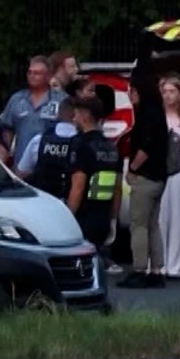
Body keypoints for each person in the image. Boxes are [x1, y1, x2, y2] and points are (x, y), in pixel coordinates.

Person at [119, 68, 175, 289]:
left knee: (139, 224)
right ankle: (156, 270)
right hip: (159, 178)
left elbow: (145, 146)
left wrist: (132, 168)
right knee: (153, 225)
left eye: (132, 90)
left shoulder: (146, 115)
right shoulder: (158, 112)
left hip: (145, 176)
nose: (130, 95)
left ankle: (139, 269)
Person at [63, 90, 124, 262]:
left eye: (75, 114)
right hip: (103, 218)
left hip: (83, 219)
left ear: (84, 116)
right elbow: (117, 189)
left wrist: (67, 218)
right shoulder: (112, 148)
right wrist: (113, 220)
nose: (73, 118)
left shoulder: (81, 145)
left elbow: (78, 186)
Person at [154, 73, 180, 280]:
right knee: (160, 215)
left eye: (172, 91)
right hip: (160, 169)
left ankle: (175, 265)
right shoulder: (156, 116)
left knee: (178, 216)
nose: (168, 96)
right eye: (165, 92)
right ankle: (159, 263)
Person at [0, 56, 65, 185]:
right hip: (21, 171)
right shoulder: (16, 100)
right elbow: (7, 132)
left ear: (48, 76)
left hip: (49, 172)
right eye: (29, 72)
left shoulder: (61, 101)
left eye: (37, 73)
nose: (32, 76)